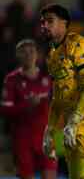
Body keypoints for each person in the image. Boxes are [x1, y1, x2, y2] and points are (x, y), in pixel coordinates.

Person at [39, 4, 84, 179]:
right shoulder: (52, 55)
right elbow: (58, 97)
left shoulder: (80, 45)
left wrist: (75, 118)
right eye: (43, 22)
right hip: (70, 126)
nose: (45, 26)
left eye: (50, 21)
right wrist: (50, 129)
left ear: (64, 23)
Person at [0, 39, 57, 179]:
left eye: (31, 51)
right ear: (17, 56)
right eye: (23, 52)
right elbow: (5, 110)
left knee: (50, 175)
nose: (28, 55)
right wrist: (27, 104)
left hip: (46, 138)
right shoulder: (11, 80)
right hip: (22, 139)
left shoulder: (48, 77)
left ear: (37, 54)